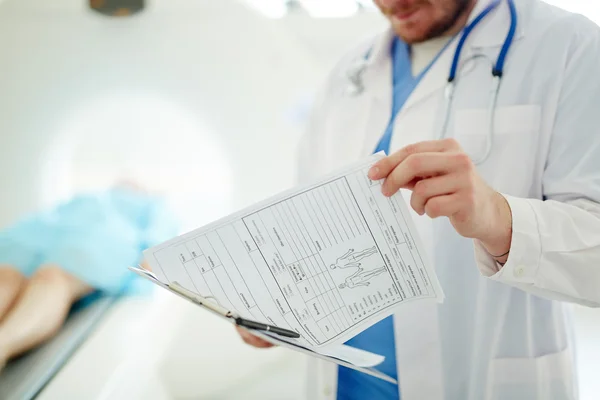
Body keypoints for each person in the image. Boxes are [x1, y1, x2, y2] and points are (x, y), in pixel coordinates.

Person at [237, 0, 600, 399]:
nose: (390, 4)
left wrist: (498, 217)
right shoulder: (350, 70)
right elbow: (302, 225)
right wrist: (273, 296)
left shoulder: (570, 47)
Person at [0, 185, 177, 370]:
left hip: (97, 238)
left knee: (52, 277)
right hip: (41, 238)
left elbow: (154, 257)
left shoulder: (155, 205)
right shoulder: (87, 197)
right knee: (7, 276)